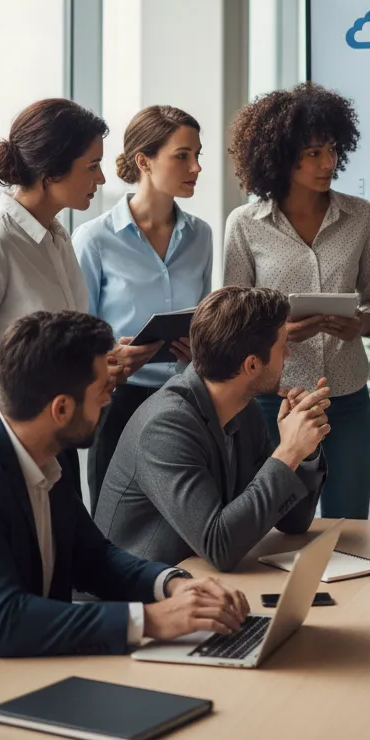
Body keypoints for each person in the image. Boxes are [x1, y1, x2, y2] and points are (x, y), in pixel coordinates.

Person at [0, 311, 249, 717]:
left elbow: (93, 558)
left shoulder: (42, 458)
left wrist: (174, 585)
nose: (109, 398)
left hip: (24, 673)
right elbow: (4, 622)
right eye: (102, 390)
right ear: (60, 408)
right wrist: (153, 621)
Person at [0, 99, 160, 471]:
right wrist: (55, 384)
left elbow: (56, 352)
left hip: (53, 436)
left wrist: (102, 362)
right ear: (51, 172)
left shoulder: (59, 238)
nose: (102, 178)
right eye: (92, 166)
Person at [223, 83, 370, 519]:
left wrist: (363, 324)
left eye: (333, 150)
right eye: (314, 153)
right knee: (274, 523)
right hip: (273, 400)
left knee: (349, 523)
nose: (329, 163)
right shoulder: (245, 225)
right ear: (280, 156)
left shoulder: (360, 217)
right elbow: (228, 322)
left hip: (347, 396)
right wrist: (278, 332)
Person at [95, 287, 330, 572]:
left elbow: (293, 522)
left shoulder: (244, 409)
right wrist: (287, 452)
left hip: (197, 582)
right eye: (282, 346)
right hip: (136, 598)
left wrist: (304, 449)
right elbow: (220, 547)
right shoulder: (165, 426)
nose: (288, 354)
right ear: (252, 364)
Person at [73, 105, 213, 513]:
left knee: (181, 520)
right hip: (117, 400)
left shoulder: (201, 236)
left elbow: (204, 317)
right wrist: (114, 356)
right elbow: (78, 338)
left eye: (197, 155)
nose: (196, 167)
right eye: (183, 155)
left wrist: (198, 346)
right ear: (144, 161)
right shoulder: (94, 239)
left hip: (183, 398)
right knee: (113, 521)